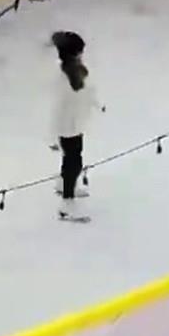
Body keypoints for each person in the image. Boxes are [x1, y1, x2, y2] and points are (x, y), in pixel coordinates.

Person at [50, 30, 102, 223]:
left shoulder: (76, 71)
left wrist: (96, 104)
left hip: (75, 124)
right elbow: (57, 109)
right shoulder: (64, 79)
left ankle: (64, 184)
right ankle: (67, 203)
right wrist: (53, 136)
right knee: (74, 162)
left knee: (72, 158)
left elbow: (86, 92)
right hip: (68, 127)